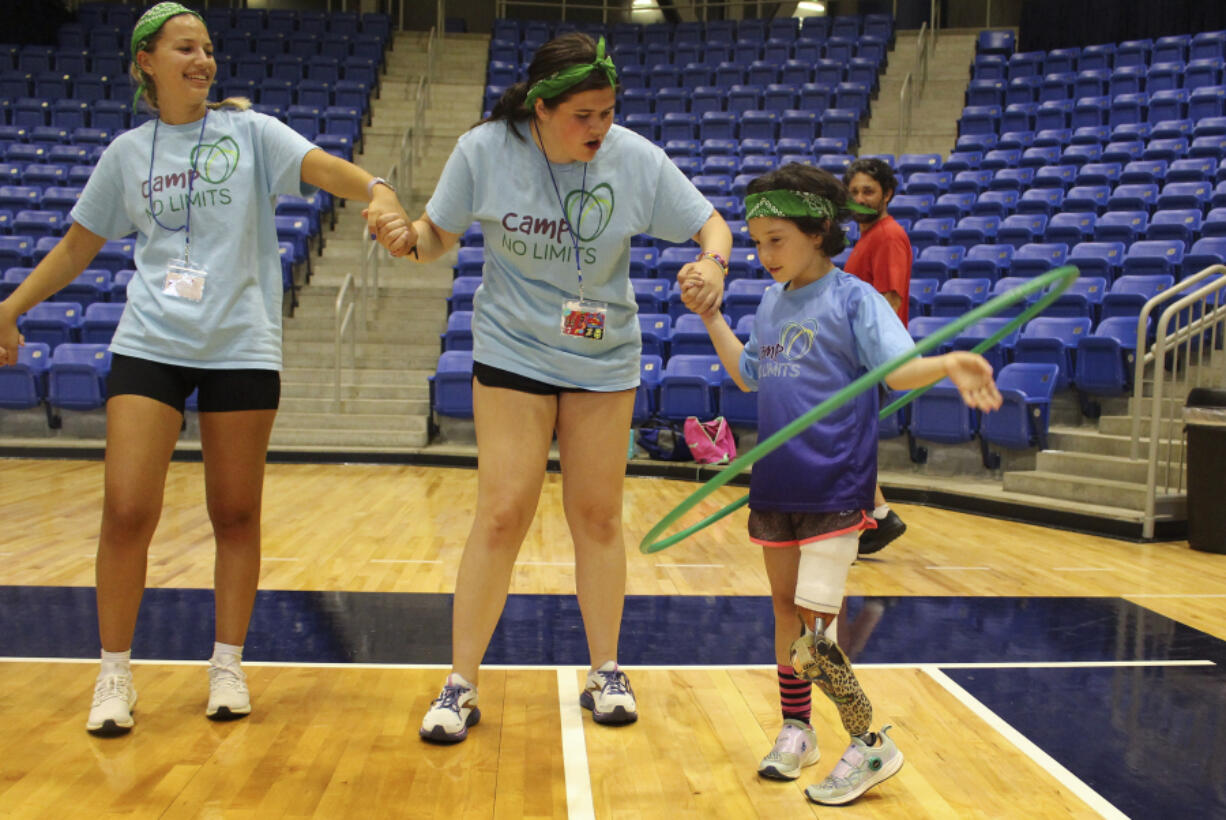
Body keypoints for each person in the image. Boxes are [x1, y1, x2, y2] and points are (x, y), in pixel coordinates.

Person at [0, 2, 411, 736]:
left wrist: (377, 187)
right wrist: (12, 307)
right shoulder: (127, 155)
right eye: (184, 48)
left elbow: (321, 167)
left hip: (240, 346)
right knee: (127, 509)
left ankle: (227, 663)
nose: (202, 59)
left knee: (235, 512)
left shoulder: (249, 134)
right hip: (151, 341)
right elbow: (76, 246)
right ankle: (114, 673)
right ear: (145, 65)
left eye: (208, 48)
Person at [370, 33, 732, 743]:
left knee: (597, 516)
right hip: (513, 348)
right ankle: (461, 681)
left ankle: (606, 671)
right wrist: (402, 236)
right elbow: (434, 236)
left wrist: (714, 264)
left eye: (607, 111)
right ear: (541, 108)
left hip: (603, 357)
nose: (600, 127)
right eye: (584, 115)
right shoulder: (484, 151)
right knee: (503, 512)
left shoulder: (633, 158)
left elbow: (710, 223)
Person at [680, 164, 1000, 806]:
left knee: (816, 636)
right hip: (778, 486)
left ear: (819, 232)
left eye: (777, 240)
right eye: (757, 241)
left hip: (834, 487)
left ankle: (870, 743)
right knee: (783, 616)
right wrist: (713, 317)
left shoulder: (856, 299)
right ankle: (797, 730)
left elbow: (900, 370)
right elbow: (749, 374)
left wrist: (950, 361)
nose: (764, 254)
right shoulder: (771, 302)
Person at [843, 157, 913, 556]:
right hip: (860, 359)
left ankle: (850, 533)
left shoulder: (888, 236)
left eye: (868, 190)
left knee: (848, 445)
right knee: (850, 442)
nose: (859, 198)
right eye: (853, 191)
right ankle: (881, 516)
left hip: (870, 361)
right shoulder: (868, 236)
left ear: (887, 194)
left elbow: (888, 301)